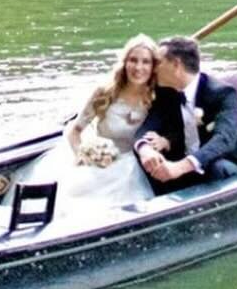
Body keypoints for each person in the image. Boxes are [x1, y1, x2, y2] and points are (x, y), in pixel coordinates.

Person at [14, 34, 159, 208]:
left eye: (145, 62)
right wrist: (84, 158)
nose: (138, 67)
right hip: (99, 165)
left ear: (153, 67)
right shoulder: (104, 93)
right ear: (124, 63)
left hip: (134, 167)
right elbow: (74, 131)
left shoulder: (157, 96)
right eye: (133, 60)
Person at [134, 35, 237, 194]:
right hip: (185, 166)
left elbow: (224, 140)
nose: (153, 68)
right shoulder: (166, 92)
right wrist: (145, 149)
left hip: (232, 167)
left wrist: (180, 167)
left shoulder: (225, 94)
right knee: (148, 161)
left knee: (218, 167)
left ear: (176, 65)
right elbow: (146, 126)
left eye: (159, 62)